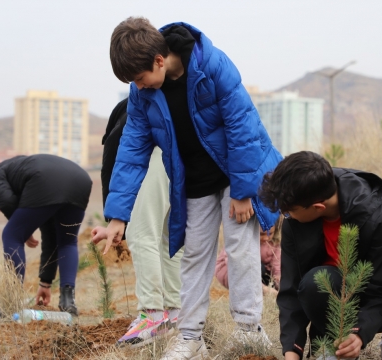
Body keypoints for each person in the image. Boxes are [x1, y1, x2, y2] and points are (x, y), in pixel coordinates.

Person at [102, 17, 283, 360]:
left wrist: (244, 191)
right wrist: (117, 216)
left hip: (235, 175)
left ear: (159, 60)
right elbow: (132, 150)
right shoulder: (142, 94)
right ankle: (190, 337)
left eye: (140, 78)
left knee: (239, 246)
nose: (138, 87)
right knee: (195, 252)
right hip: (194, 182)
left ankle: (248, 331)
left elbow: (242, 125)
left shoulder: (212, 65)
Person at [259, 151, 382, 360]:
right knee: (314, 281)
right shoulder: (299, 217)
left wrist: (359, 333)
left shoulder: (375, 214)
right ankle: (334, 343)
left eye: (288, 212)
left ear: (318, 207)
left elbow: (381, 288)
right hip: (340, 299)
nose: (287, 216)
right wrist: (292, 352)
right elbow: (291, 290)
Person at [90, 98, 182, 348]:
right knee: (169, 238)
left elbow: (113, 160)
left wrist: (113, 220)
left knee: (142, 235)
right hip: (179, 160)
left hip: (155, 155)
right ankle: (175, 315)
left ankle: (152, 315)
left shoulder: (127, 116)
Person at [0, 154, 92, 316]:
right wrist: (46, 282)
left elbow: (7, 201)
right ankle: (67, 302)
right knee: (67, 241)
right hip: (81, 180)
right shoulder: (25, 171)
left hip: (44, 180)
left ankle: (10, 304)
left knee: (11, 235)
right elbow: (50, 238)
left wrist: (23, 229)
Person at [215, 215, 283, 296]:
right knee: (255, 266)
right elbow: (237, 265)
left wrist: (279, 281)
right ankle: (259, 289)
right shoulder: (243, 240)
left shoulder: (274, 243)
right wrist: (264, 289)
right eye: (261, 234)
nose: (266, 238)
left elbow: (276, 266)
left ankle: (262, 289)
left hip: (259, 270)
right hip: (229, 270)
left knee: (264, 271)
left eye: (270, 233)